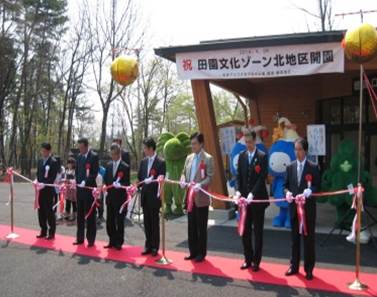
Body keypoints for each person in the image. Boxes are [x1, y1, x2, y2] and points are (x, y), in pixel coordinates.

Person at [284, 138, 320, 281]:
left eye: (299, 149)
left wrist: (310, 191)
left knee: (309, 240)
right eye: (295, 149)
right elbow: (285, 185)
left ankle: (309, 269)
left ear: (305, 150)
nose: (297, 152)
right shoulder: (290, 167)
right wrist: (286, 192)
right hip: (294, 209)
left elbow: (317, 185)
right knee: (294, 240)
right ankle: (294, 266)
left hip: (308, 210)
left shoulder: (313, 166)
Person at [236, 130, 269, 271]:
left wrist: (252, 194)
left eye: (250, 142)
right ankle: (247, 259)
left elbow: (262, 178)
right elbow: (238, 176)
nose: (248, 144)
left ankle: (256, 261)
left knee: (258, 232)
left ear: (255, 141)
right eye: (246, 142)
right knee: (245, 231)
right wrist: (238, 191)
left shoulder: (262, 156)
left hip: (257, 200)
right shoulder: (241, 156)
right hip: (244, 201)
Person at [180, 132, 214, 263]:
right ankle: (192, 252)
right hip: (190, 197)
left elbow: (210, 177)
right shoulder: (189, 158)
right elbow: (184, 172)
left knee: (201, 227)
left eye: (194, 143)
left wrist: (201, 184)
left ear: (201, 144)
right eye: (191, 143)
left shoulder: (208, 158)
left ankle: (201, 253)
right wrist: (183, 179)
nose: (192, 146)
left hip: (201, 198)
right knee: (191, 226)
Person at [138, 137, 166, 257]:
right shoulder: (143, 162)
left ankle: (155, 246)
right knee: (147, 222)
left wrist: (153, 180)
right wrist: (140, 184)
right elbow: (140, 177)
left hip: (154, 197)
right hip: (144, 196)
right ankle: (148, 245)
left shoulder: (161, 162)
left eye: (145, 148)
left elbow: (162, 178)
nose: (144, 150)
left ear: (151, 148)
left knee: (154, 223)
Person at [103, 143, 130, 250]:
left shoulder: (125, 166)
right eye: (111, 154)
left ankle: (119, 241)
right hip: (110, 197)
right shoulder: (109, 165)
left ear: (118, 154)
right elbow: (105, 179)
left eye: (114, 154)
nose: (112, 156)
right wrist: (105, 185)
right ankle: (111, 240)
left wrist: (121, 185)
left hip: (120, 198)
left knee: (119, 221)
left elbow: (127, 182)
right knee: (109, 220)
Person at [73, 137, 99, 247]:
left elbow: (94, 173)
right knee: (80, 216)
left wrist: (86, 181)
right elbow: (77, 171)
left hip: (89, 191)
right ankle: (80, 238)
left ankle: (91, 240)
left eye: (82, 147)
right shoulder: (78, 157)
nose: (80, 150)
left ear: (86, 146)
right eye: (79, 147)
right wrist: (76, 180)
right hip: (80, 191)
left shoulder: (93, 156)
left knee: (90, 216)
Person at [35, 142, 59, 240]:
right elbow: (38, 173)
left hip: (48, 191)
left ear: (49, 151)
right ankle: (43, 230)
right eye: (42, 150)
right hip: (40, 190)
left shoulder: (53, 162)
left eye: (45, 151)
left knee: (49, 211)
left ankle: (51, 232)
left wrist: (44, 184)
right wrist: (37, 180)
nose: (43, 152)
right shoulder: (40, 161)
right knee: (41, 211)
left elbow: (53, 176)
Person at [64, 157, 77, 222]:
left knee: (74, 201)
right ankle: (67, 214)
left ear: (73, 164)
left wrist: (69, 180)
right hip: (67, 188)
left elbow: (75, 180)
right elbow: (64, 178)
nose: (69, 164)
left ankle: (74, 214)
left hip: (73, 189)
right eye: (68, 163)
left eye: (70, 163)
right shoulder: (66, 170)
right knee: (67, 201)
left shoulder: (75, 171)